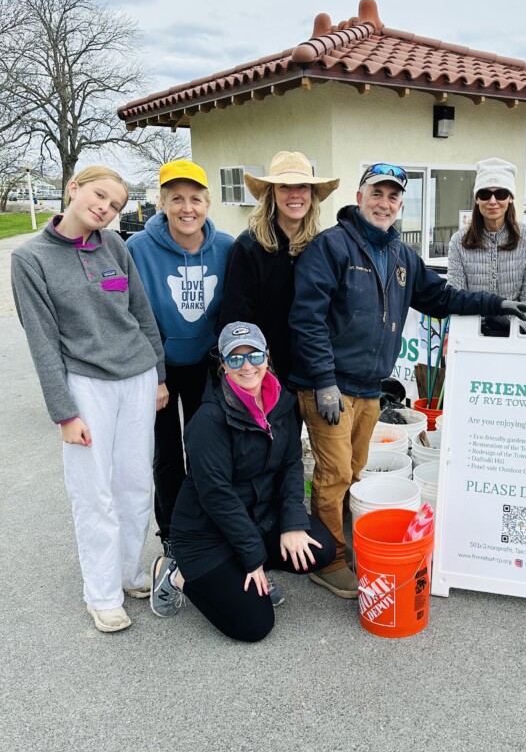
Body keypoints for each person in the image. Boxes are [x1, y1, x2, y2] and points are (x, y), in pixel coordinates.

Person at [289, 162, 526, 598]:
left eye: (392, 197)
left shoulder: (402, 255)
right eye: (377, 194)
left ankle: (340, 542)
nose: (384, 204)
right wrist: (324, 380)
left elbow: (441, 297)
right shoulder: (330, 247)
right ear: (359, 195)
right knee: (331, 475)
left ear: (401, 204)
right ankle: (327, 561)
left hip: (369, 388)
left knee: (351, 471)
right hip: (328, 386)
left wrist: (494, 303)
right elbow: (307, 319)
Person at [11, 166, 166, 633]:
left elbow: (141, 311)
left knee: (137, 484)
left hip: (136, 377)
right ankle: (101, 593)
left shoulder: (115, 246)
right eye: (100, 196)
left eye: (116, 205)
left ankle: (129, 572)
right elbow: (41, 340)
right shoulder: (30, 259)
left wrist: (158, 375)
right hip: (85, 384)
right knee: (94, 492)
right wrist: (64, 412)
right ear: (74, 189)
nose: (106, 208)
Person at [149, 322, 336, 641]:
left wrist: (292, 523)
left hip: (257, 517)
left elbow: (291, 463)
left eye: (254, 355)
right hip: (205, 534)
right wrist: (254, 558)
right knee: (254, 626)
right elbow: (218, 497)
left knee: (319, 547)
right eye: (235, 358)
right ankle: (175, 573)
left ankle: (243, 568)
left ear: (267, 356)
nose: (247, 366)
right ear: (222, 364)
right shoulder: (208, 421)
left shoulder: (283, 402)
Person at [126, 159, 233, 554]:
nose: (186, 208)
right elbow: (134, 316)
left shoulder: (226, 247)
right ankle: (172, 534)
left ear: (207, 203)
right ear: (162, 203)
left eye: (195, 199)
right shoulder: (137, 249)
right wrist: (154, 375)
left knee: (208, 450)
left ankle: (213, 527)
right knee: (167, 455)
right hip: (161, 367)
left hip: (208, 364)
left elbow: (232, 309)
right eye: (176, 199)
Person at [218, 151, 339, 383]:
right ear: (272, 194)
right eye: (284, 186)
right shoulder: (248, 248)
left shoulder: (321, 247)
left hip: (309, 371)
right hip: (261, 372)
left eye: (302, 186)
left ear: (312, 194)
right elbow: (235, 321)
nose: (295, 194)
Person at [447, 157, 526, 333]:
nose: (492, 201)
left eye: (500, 194)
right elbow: (457, 295)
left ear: (510, 198)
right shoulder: (458, 241)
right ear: (477, 199)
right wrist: (476, 327)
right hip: (471, 337)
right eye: (485, 194)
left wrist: (514, 328)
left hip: (516, 340)